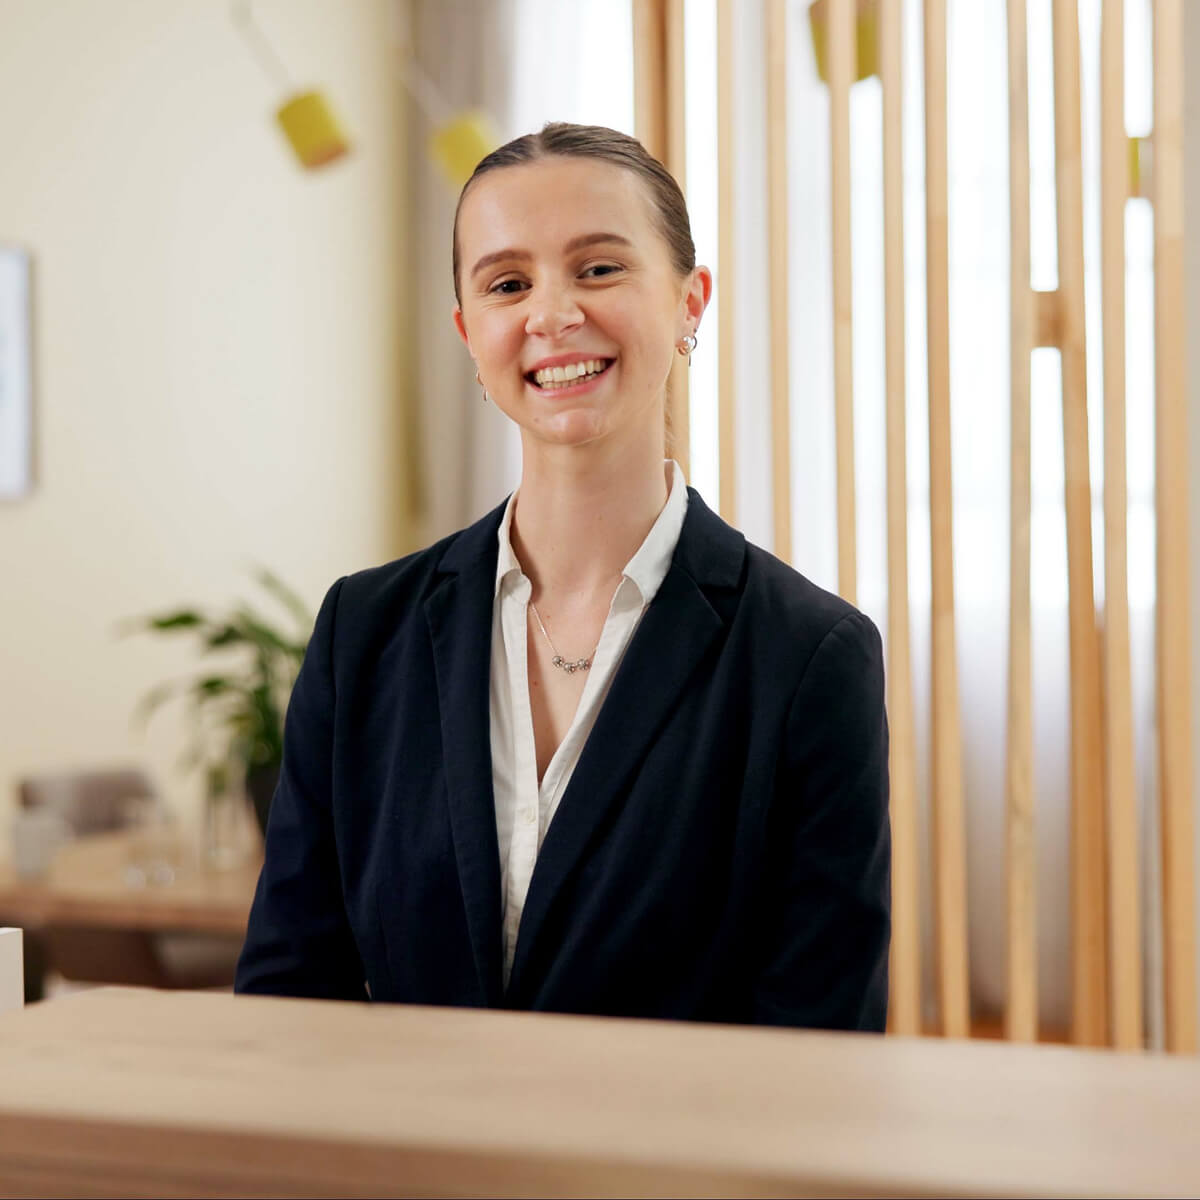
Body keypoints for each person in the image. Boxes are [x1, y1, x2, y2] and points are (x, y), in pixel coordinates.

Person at [235, 122, 890, 1031]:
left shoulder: (810, 656)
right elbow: (288, 994)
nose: (551, 314)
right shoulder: (364, 630)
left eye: (599, 268)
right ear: (470, 333)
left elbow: (816, 1039)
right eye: (508, 284)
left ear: (690, 303)